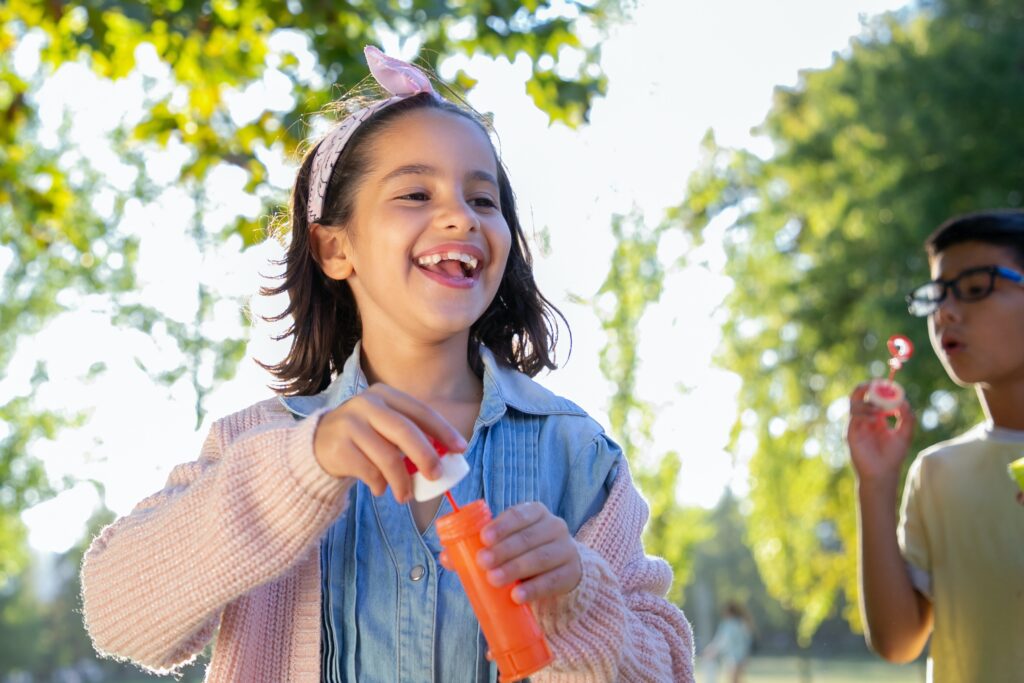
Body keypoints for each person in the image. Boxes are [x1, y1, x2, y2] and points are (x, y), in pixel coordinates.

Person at [79, 46, 695, 682]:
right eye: (415, 193)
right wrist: (304, 466)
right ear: (335, 247)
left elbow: (669, 669)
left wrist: (579, 602)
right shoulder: (258, 446)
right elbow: (117, 617)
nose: (460, 213)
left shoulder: (577, 453)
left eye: (484, 201)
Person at [846, 210, 1024, 682]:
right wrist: (877, 483)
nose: (945, 311)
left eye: (975, 287)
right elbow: (898, 641)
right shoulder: (938, 472)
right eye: (937, 294)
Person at [701, 601, 754, 683]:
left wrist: (712, 650)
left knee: (734, 679)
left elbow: (722, 641)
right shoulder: (739, 624)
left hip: (735, 657)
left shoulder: (731, 624)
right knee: (735, 679)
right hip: (735, 656)